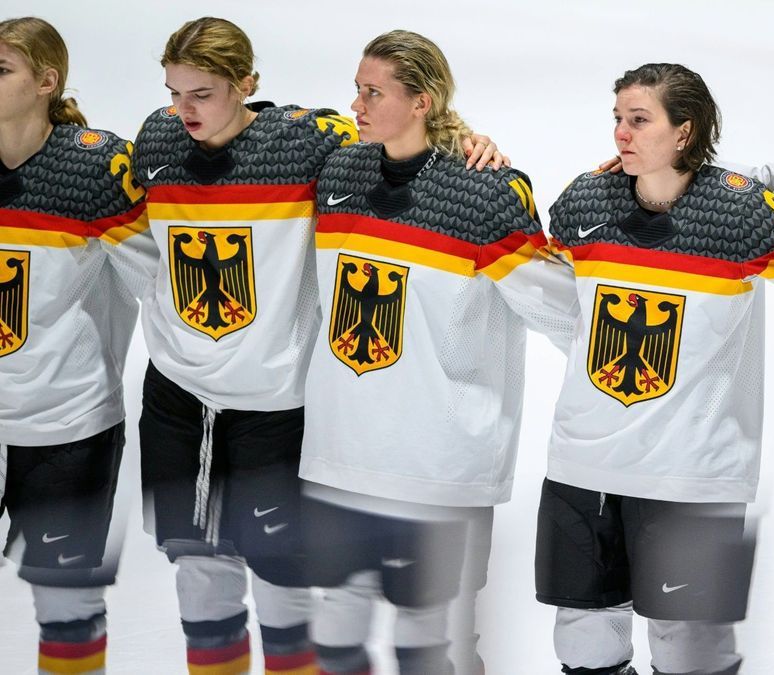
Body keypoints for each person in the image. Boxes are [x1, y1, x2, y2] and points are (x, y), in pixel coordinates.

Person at [132, 17, 506, 674]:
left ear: (247, 84)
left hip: (276, 407)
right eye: (174, 91)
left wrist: (470, 143)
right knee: (197, 569)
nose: (183, 109)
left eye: (203, 93)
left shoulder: (310, 141)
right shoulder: (156, 139)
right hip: (177, 401)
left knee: (283, 578)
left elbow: (401, 138)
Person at [536, 62, 774, 675]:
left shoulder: (740, 219)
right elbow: (556, 306)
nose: (621, 132)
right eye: (617, 118)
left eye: (639, 119)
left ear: (684, 131)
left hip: (692, 473)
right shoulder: (585, 203)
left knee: (687, 648)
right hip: (583, 459)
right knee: (582, 640)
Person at [298, 29, 576, 675]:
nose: (357, 105)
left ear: (422, 101)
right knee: (337, 631)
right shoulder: (341, 171)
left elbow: (561, 309)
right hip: (342, 451)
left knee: (436, 640)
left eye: (374, 92)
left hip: (440, 463)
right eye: (356, 90)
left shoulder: (482, 192)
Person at [0, 16, 155, 674]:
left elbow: (163, 283)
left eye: (1, 69)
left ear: (46, 82)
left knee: (66, 604)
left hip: (67, 424)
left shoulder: (95, 167)